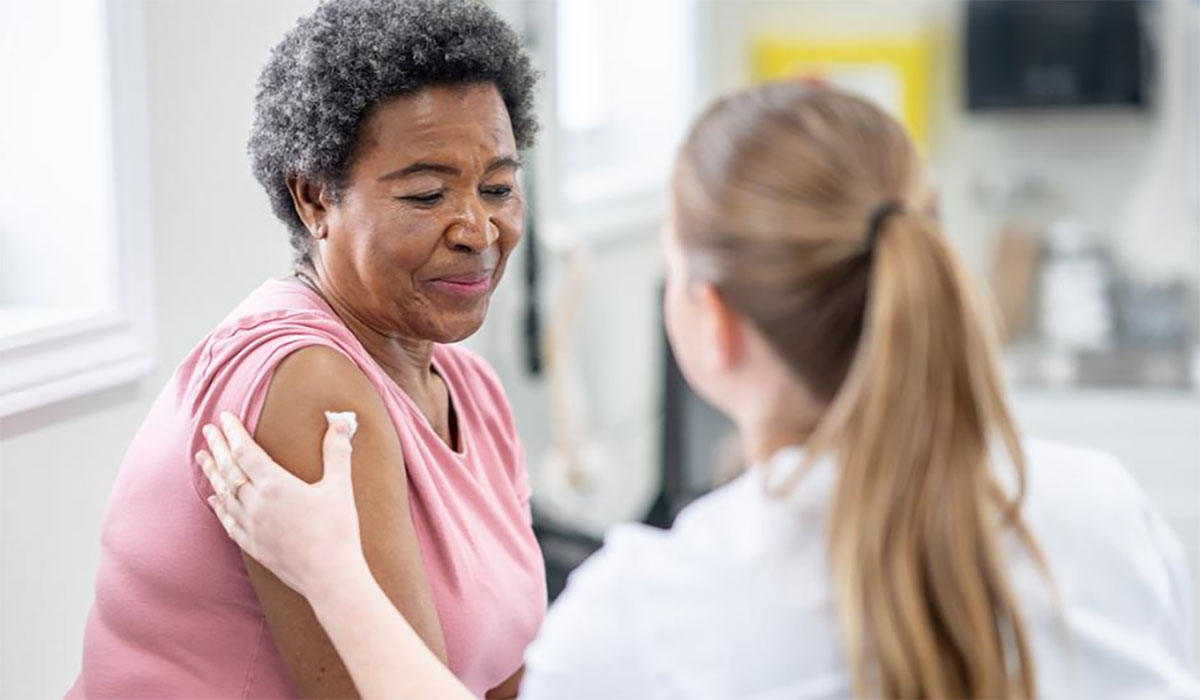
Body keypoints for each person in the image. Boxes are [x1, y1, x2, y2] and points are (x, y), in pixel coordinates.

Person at [199, 83, 1200, 698]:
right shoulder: (1105, 507)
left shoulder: (655, 612)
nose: (472, 227)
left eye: (496, 187)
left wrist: (330, 570)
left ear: (709, 322)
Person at [69, 1, 544, 697]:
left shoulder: (473, 389)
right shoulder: (308, 387)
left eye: (499, 187)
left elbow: (507, 672)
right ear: (315, 197)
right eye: (426, 194)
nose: (479, 228)